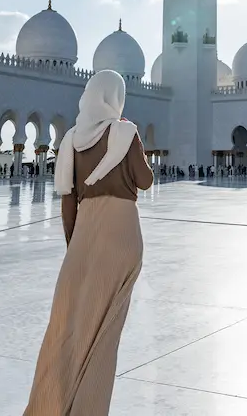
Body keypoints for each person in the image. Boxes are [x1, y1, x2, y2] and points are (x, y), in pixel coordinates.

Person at [23, 69, 154, 416]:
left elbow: (68, 200)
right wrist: (131, 144)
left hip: (84, 232)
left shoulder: (70, 140)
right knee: (104, 332)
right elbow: (145, 181)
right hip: (123, 233)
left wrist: (75, 245)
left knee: (65, 326)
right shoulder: (125, 132)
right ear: (116, 98)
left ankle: (48, 406)